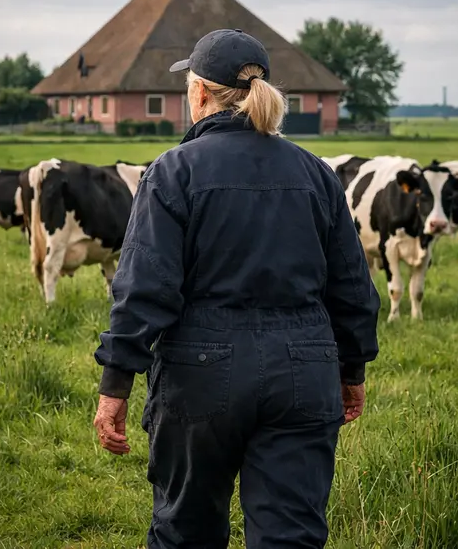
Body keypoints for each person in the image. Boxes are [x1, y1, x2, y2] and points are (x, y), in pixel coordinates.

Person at [92, 28, 380, 548]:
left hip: (201, 372)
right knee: (291, 536)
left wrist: (116, 384)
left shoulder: (172, 172)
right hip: (305, 369)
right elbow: (353, 288)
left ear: (198, 92)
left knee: (188, 534)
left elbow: (142, 290)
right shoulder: (316, 174)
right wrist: (351, 368)